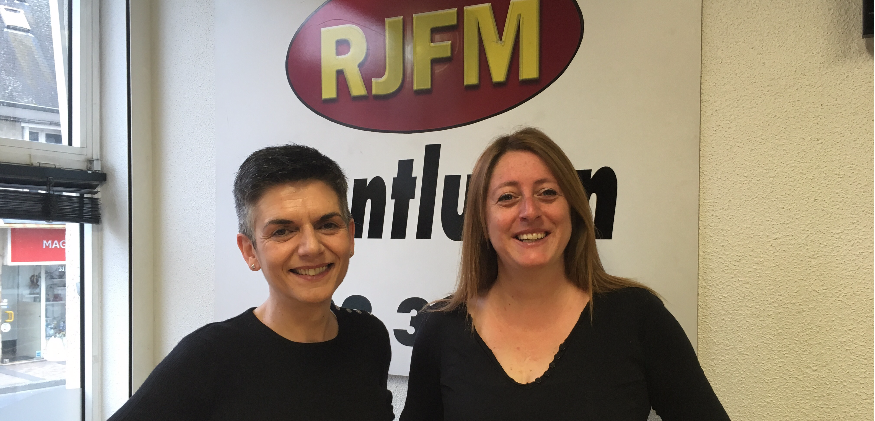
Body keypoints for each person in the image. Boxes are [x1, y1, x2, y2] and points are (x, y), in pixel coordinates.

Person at [400, 128, 729, 420]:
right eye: (507, 197)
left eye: (547, 192)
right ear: (483, 221)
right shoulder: (440, 329)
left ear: (572, 209)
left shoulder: (638, 317)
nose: (530, 211)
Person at [109, 145, 394, 421]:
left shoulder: (369, 337)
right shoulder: (208, 357)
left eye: (327, 225)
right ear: (249, 251)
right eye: (282, 231)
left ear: (350, 235)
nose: (311, 247)